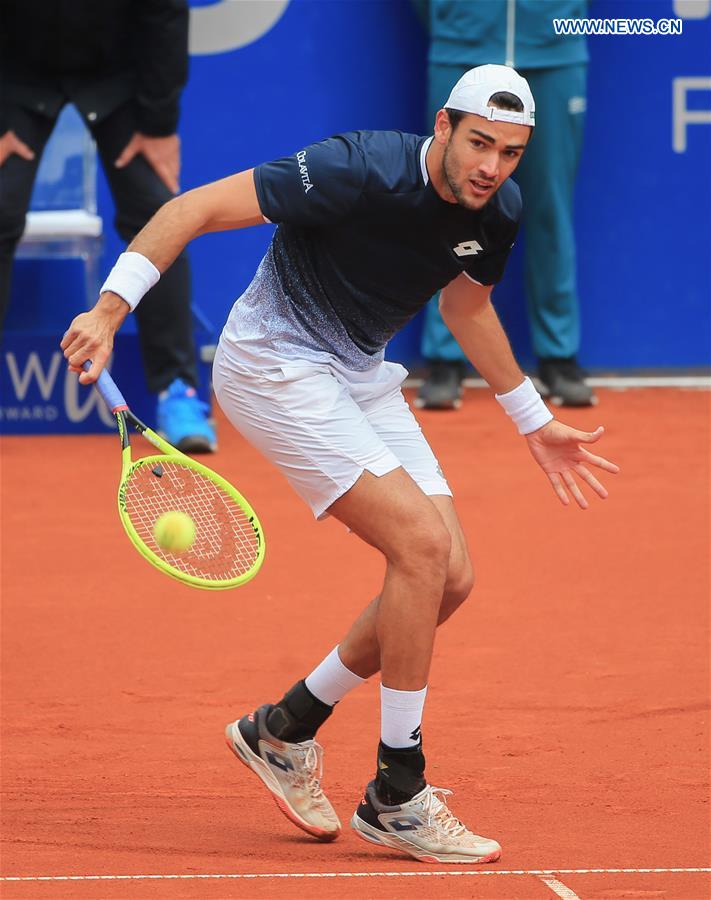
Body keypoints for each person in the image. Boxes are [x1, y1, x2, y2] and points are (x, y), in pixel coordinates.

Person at [61, 65, 619, 864]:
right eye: (480, 144)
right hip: (273, 363)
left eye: (511, 152)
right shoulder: (352, 167)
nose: (491, 166)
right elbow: (188, 208)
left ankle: (281, 730)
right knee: (420, 549)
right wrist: (110, 310)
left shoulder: (497, 209)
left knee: (447, 578)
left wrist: (532, 419)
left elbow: (465, 305)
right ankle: (398, 791)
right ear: (443, 126)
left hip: (356, 369)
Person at [0, 0, 215, 452]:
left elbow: (164, 14)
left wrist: (158, 125)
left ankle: (179, 391)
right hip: (15, 75)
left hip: (120, 77)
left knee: (157, 214)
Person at [414, 0, 595, 410]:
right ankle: (445, 356)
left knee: (551, 210)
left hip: (554, 51)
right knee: (448, 202)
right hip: (462, 49)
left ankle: (558, 355)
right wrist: (455, 16)